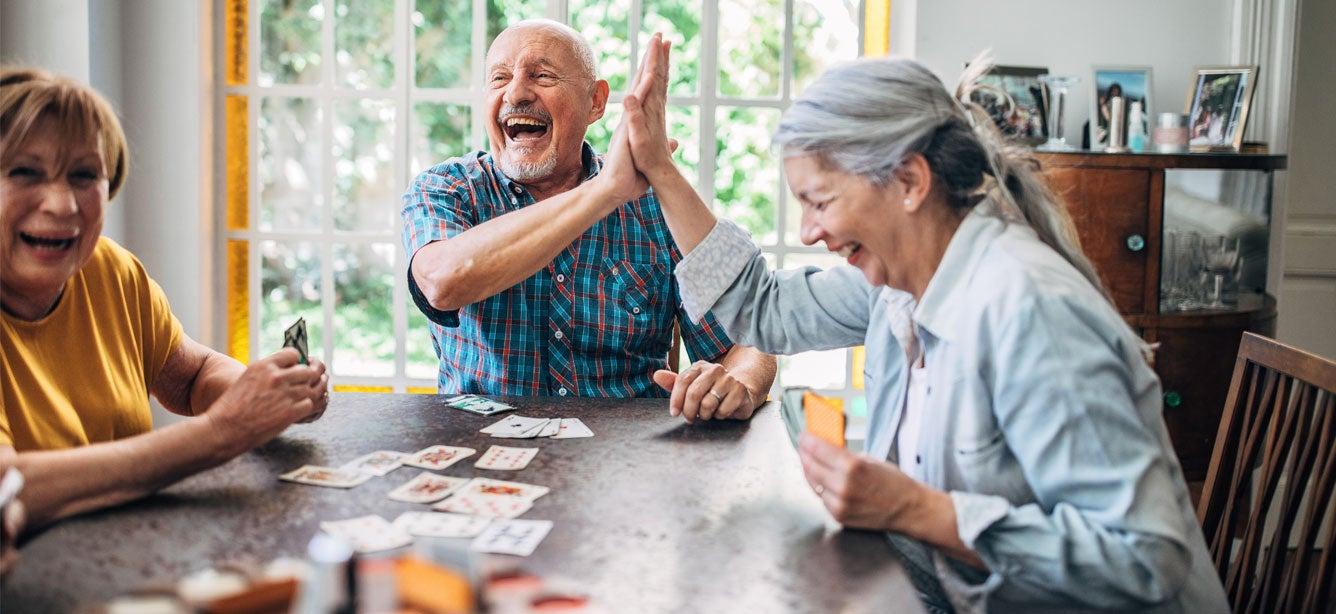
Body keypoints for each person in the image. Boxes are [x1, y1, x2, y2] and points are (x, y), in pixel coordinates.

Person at [618, 40, 1228, 612]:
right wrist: (660, 171)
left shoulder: (1030, 309)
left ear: (909, 182)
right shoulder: (898, 283)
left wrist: (917, 509)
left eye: (820, 202)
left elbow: (1145, 558)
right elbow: (765, 307)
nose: (808, 232)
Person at [1, 68, 329, 537]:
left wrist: (266, 395)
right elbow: (11, 490)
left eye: (84, 175)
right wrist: (225, 430)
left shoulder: (109, 269)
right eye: (25, 172)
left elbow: (192, 376)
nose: (63, 204)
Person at [401, 20, 775, 421]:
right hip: (480, 454)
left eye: (541, 75)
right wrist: (605, 191)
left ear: (595, 102)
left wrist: (739, 384)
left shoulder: (659, 208)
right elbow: (442, 282)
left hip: (624, 461)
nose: (516, 92)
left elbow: (746, 340)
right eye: (499, 78)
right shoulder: (446, 189)